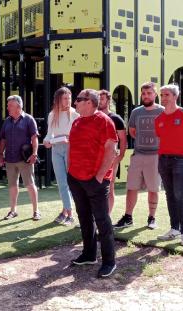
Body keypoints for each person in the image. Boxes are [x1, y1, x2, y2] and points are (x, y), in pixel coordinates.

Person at [66, 89, 118, 278]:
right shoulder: (77, 121)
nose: (75, 103)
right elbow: (71, 146)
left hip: (96, 180)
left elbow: (111, 151)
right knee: (84, 218)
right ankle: (89, 254)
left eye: (78, 100)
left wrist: (99, 177)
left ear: (89, 102)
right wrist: (70, 171)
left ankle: (109, 261)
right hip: (76, 178)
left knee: (102, 220)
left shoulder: (104, 121)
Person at [154, 84, 183, 247]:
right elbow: (163, 139)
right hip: (163, 160)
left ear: (175, 96)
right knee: (169, 195)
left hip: (181, 160)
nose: (163, 97)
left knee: (180, 195)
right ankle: (174, 229)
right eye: (162, 95)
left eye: (166, 94)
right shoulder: (159, 119)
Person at [114, 82, 164, 230]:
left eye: (149, 93)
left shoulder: (162, 111)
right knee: (131, 187)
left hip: (156, 156)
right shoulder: (136, 112)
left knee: (153, 189)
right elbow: (133, 132)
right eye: (144, 93)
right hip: (138, 155)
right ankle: (128, 217)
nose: (146, 96)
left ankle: (152, 218)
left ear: (155, 95)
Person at [0, 95, 41, 221]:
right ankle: (13, 211)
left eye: (10, 105)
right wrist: (1, 155)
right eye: (8, 105)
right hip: (10, 159)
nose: (7, 107)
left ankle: (36, 211)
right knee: (12, 186)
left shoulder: (29, 119)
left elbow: (34, 138)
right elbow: (3, 140)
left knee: (30, 184)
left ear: (18, 106)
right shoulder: (7, 121)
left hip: (25, 159)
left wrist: (34, 153)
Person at [43, 87, 80, 226]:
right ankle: (67, 211)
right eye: (65, 98)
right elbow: (49, 134)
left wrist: (69, 139)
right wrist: (46, 141)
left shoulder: (76, 114)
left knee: (69, 182)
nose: (68, 100)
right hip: (56, 149)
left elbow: (76, 135)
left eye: (69, 98)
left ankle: (68, 213)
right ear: (58, 99)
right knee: (61, 182)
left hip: (71, 148)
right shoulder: (52, 115)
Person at [97, 90, 127, 213]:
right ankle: (93, 218)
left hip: (110, 158)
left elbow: (123, 139)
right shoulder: (93, 117)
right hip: (94, 158)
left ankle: (106, 217)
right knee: (92, 188)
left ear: (108, 101)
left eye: (102, 99)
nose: (99, 101)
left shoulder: (116, 118)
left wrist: (120, 157)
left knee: (109, 187)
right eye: (98, 98)